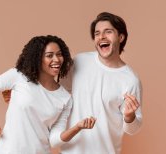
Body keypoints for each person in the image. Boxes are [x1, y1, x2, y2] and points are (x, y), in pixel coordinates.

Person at [0, 35, 96, 154]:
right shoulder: (19, 76)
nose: (56, 59)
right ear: (37, 58)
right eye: (49, 55)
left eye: (59, 54)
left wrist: (77, 127)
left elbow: (54, 141)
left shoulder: (65, 98)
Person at [58, 12, 143, 154]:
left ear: (121, 37)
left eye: (108, 32)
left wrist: (129, 116)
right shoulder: (80, 61)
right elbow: (57, 92)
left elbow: (133, 129)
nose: (101, 37)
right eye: (97, 33)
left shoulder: (130, 80)